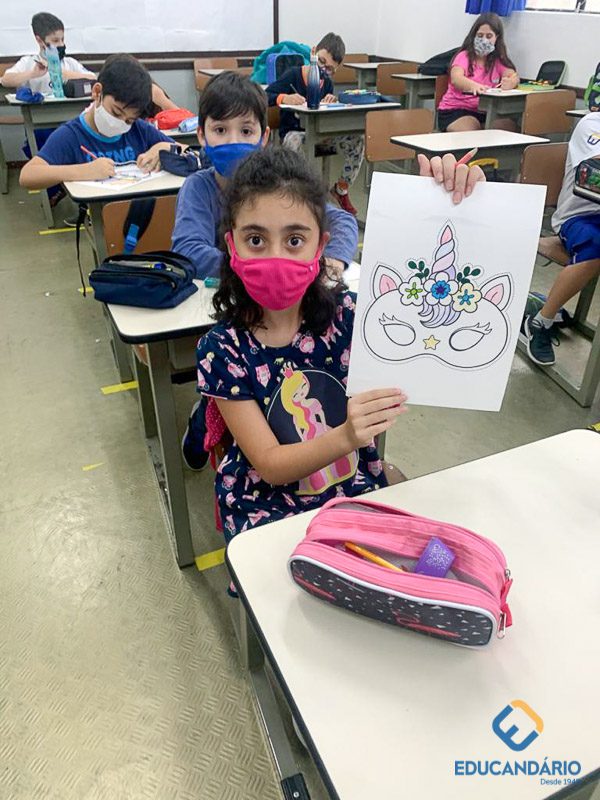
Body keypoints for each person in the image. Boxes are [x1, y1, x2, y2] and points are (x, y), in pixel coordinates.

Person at [195, 147, 484, 542]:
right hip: (265, 508)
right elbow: (271, 465)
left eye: (294, 239)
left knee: (417, 559)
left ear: (321, 246)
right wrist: (348, 436)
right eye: (256, 239)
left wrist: (441, 204)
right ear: (232, 246)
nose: (276, 257)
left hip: (352, 490)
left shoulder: (350, 316)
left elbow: (432, 316)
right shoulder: (222, 348)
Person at [173, 70, 359, 471]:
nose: (233, 140)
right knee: (233, 379)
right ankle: (207, 417)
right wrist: (247, 272)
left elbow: (341, 222)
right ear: (201, 135)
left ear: (264, 136)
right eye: (220, 130)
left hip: (292, 311)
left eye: (245, 130)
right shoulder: (199, 188)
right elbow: (187, 248)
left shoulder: (286, 190)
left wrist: (328, 262)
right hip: (233, 307)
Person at [19, 54, 177, 189]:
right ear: (97, 92)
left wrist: (164, 147)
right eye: (116, 112)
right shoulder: (71, 135)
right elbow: (27, 176)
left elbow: (188, 150)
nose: (120, 123)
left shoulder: (139, 129)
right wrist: (84, 171)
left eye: (129, 120)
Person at [522, 112, 600, 365]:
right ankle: (541, 321)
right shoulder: (592, 124)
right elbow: (593, 170)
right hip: (580, 216)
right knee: (596, 246)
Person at [265, 32, 364, 216]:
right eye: (321, 61)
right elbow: (264, 95)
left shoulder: (327, 83)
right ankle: (302, 194)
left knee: (357, 139)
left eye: (330, 69)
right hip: (295, 134)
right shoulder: (293, 75)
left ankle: (341, 189)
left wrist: (331, 101)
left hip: (320, 137)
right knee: (294, 141)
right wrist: (284, 97)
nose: (323, 69)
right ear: (313, 52)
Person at [437, 12, 519, 133]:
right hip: (456, 110)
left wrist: (511, 82)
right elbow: (456, 78)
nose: (484, 40)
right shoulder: (464, 56)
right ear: (473, 36)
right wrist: (473, 86)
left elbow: (512, 75)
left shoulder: (497, 60)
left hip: (485, 111)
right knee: (473, 130)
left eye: (489, 36)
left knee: (508, 127)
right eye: (480, 36)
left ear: (497, 38)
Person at [1, 11, 96, 93]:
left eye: (62, 39)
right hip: (38, 108)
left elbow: (93, 78)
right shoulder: (28, 62)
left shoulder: (69, 63)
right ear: (39, 40)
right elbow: (5, 80)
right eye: (55, 41)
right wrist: (32, 74)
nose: (61, 44)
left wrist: (62, 73)